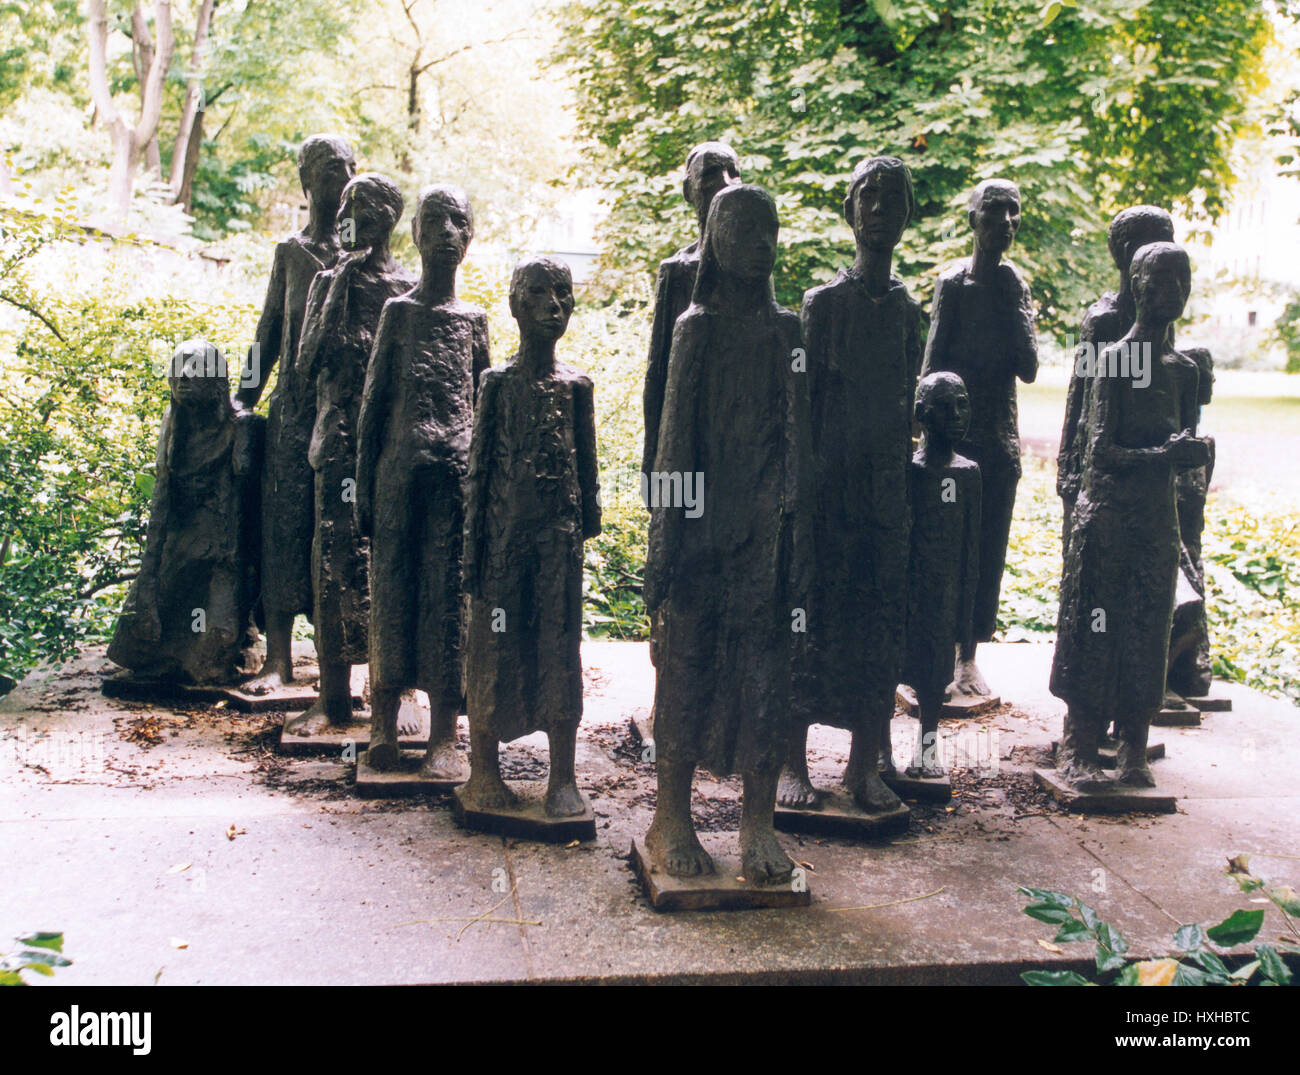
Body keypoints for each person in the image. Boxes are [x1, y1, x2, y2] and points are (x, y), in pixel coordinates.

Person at [642, 184, 813, 883]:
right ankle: (671, 816)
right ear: (714, 239)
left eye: (769, 228)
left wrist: (799, 532)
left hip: (766, 539)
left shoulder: (788, 332)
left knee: (766, 677)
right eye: (742, 229)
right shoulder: (695, 329)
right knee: (687, 670)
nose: (760, 242)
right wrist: (666, 545)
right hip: (701, 540)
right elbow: (674, 445)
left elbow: (800, 439)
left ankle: (758, 821)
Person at [780, 157, 923, 814]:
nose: (880, 208)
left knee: (878, 628)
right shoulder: (823, 305)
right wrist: (800, 492)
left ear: (906, 216)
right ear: (850, 209)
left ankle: (866, 764)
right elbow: (800, 404)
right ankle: (791, 760)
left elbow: (907, 407)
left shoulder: (908, 312)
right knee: (810, 622)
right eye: (869, 195)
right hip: (826, 497)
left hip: (883, 498)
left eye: (893, 199)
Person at [1051, 242, 1208, 789]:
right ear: (1136, 285)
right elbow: (1100, 452)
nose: (1173, 290)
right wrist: (1164, 457)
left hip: (1155, 523)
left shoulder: (1183, 371)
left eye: (1181, 280)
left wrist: (1190, 458)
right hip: (1110, 516)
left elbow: (1183, 449)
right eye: (1160, 279)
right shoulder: (1115, 359)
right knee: (1096, 628)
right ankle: (1081, 745)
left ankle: (1134, 745)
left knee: (1147, 628)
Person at [459, 257, 601, 817]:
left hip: (557, 547)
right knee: (494, 648)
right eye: (539, 294)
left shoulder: (576, 387)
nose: (552, 305)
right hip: (502, 545)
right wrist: (473, 554)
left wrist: (578, 530)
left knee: (560, 648)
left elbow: (587, 474)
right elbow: (478, 471)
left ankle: (562, 777)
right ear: (516, 304)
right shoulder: (495, 383)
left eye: (562, 294)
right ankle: (484, 771)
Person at [356, 185, 489, 776]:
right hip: (397, 476)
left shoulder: (474, 321)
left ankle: (443, 736)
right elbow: (373, 404)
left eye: (456, 221)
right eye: (432, 221)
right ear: (415, 233)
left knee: (447, 602)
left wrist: (484, 494)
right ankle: (382, 724)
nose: (444, 233)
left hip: (454, 484)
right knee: (390, 593)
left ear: (470, 237)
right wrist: (362, 487)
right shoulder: (398, 314)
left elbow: (487, 409)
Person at [288, 173, 415, 735]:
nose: (346, 216)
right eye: (343, 206)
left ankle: (396, 690)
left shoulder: (407, 289)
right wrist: (334, 288)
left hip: (386, 445)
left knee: (390, 562)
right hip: (337, 439)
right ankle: (331, 696)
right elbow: (305, 363)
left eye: (357, 206)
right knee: (331, 562)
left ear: (385, 217)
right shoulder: (327, 280)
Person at [236, 135, 355, 694]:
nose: (347, 176)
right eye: (334, 169)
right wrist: (244, 398)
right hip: (291, 411)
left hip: (344, 416)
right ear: (308, 182)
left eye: (353, 167)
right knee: (284, 528)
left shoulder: (364, 257)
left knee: (343, 532)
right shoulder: (291, 253)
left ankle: (349, 664)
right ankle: (278, 659)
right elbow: (269, 331)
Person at [921, 178, 1038, 701]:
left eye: (1014, 213)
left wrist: (1018, 308)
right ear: (973, 219)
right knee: (947, 552)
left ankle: (970, 656)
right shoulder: (953, 285)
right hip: (952, 444)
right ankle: (938, 653)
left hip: (999, 444)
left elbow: (1030, 368)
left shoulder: (1015, 286)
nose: (1006, 222)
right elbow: (931, 367)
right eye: (995, 211)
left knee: (988, 551)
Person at [109, 340, 262, 685]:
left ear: (219, 379)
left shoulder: (244, 427)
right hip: (181, 542)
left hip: (227, 552)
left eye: (195, 367)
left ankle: (236, 641)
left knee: (212, 658)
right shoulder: (174, 424)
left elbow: (247, 517)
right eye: (177, 368)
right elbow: (160, 503)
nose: (184, 376)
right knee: (136, 647)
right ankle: (170, 656)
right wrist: (147, 582)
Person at [899, 373, 981, 780]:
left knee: (934, 679)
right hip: (906, 588)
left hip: (943, 593)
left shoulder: (967, 474)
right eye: (945, 406)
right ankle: (879, 749)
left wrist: (966, 616)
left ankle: (927, 748)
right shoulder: (908, 470)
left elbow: (971, 549)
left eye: (962, 404)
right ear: (921, 414)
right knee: (892, 667)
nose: (956, 415)